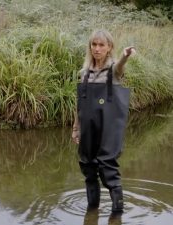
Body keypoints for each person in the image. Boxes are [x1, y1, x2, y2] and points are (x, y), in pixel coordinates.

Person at [72, 29, 135, 213]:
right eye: (94, 44)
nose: (97, 49)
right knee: (88, 167)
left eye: (101, 45)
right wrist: (76, 128)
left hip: (108, 129)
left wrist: (125, 56)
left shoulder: (113, 71)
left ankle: (117, 214)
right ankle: (92, 211)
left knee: (108, 167)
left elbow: (120, 68)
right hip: (88, 129)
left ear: (109, 48)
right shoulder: (84, 73)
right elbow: (79, 104)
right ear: (90, 47)